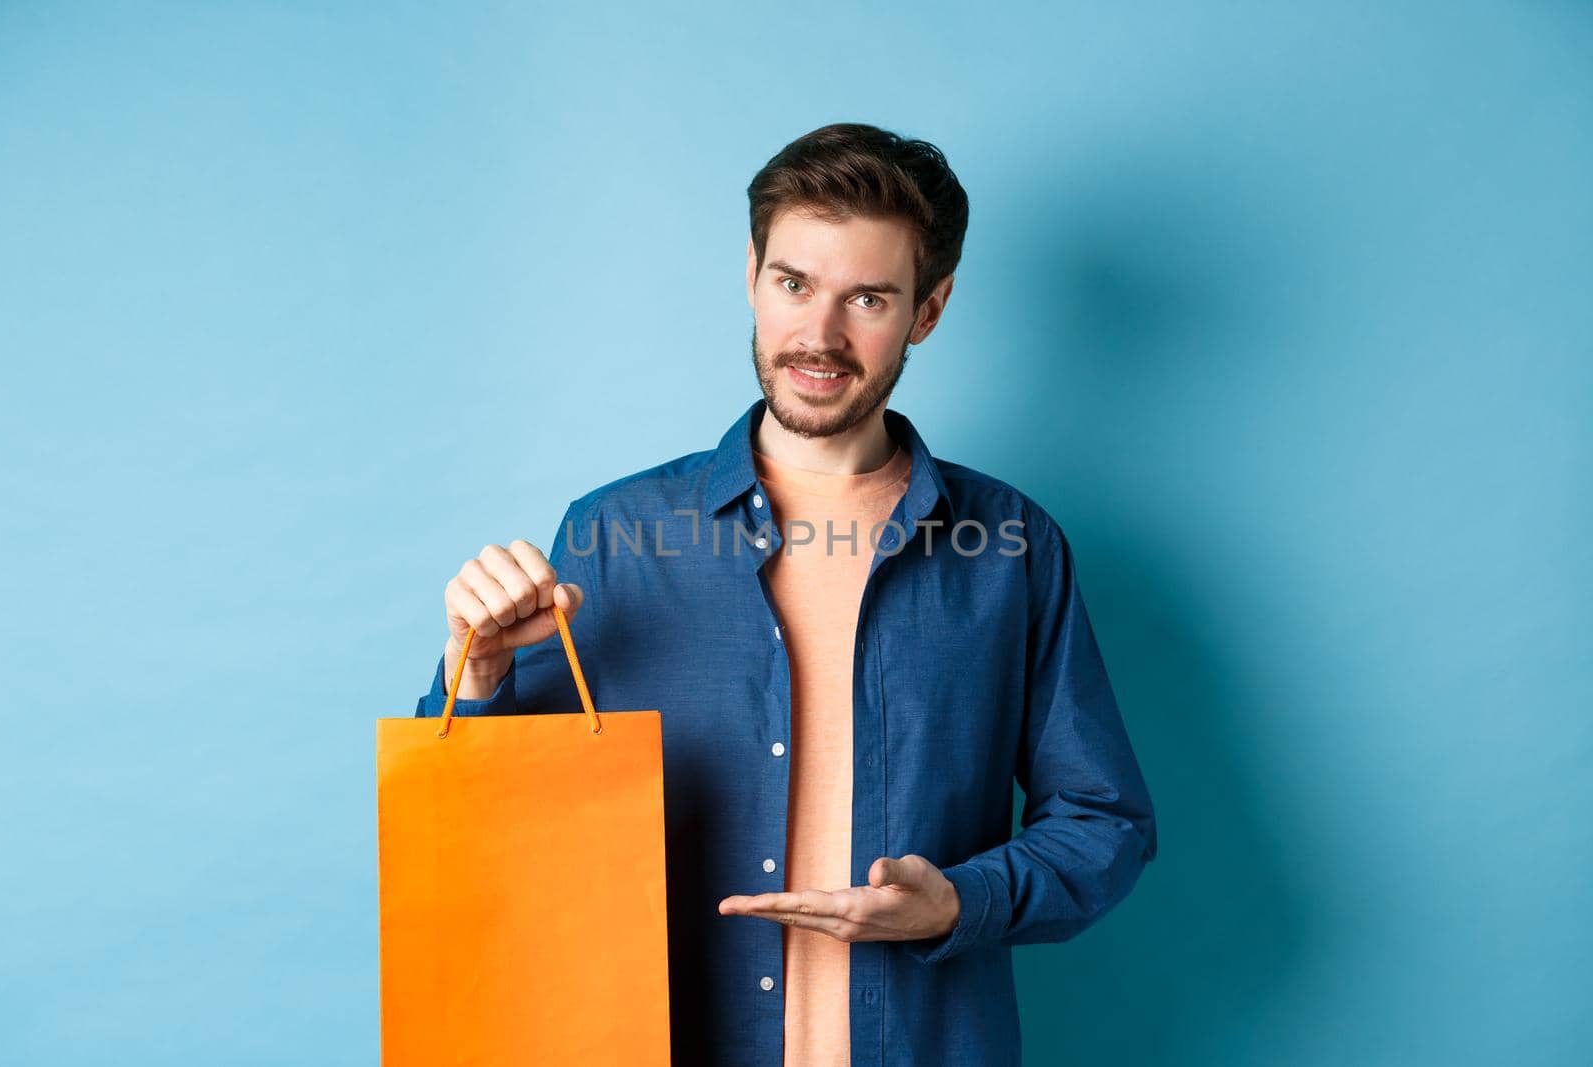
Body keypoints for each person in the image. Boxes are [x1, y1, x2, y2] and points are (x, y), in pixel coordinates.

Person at [413, 122, 1158, 1067]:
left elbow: (1107, 823)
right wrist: (472, 675)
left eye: (870, 298)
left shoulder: (1010, 549)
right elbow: (490, 840)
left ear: (928, 310)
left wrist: (961, 901)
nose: (819, 335)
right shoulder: (614, 534)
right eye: (794, 284)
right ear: (753, 275)